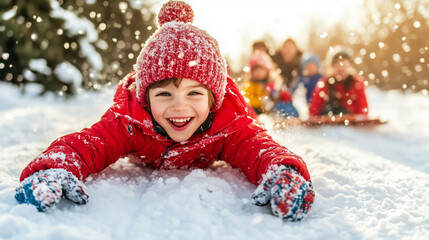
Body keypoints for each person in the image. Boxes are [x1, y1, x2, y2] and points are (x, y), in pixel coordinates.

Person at [14, 1, 314, 222]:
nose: (179, 106)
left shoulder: (229, 124)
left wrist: (282, 170)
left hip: (238, 111)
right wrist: (55, 168)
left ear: (213, 99)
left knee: (253, 122)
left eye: (194, 93)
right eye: (164, 94)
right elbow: (89, 143)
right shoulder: (130, 120)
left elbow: (258, 147)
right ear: (145, 98)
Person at [309, 48, 368, 116]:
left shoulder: (356, 83)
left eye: (344, 65)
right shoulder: (325, 83)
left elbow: (362, 108)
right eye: (337, 65)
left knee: (344, 111)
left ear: (350, 66)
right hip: (327, 120)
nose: (341, 68)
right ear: (332, 67)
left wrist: (360, 119)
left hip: (349, 120)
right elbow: (314, 108)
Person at [241, 50, 298, 117]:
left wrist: (283, 95)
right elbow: (246, 101)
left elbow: (278, 95)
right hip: (257, 110)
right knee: (250, 111)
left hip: (272, 108)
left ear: (267, 71)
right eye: (256, 70)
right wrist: (261, 101)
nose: (258, 73)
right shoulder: (249, 85)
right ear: (251, 72)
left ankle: (288, 117)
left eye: (261, 70)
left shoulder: (273, 83)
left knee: (285, 107)